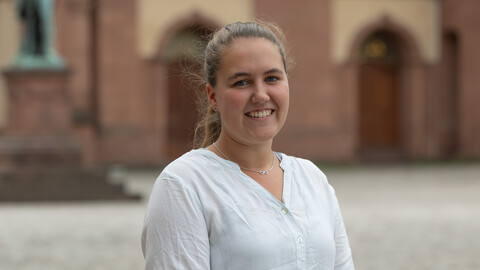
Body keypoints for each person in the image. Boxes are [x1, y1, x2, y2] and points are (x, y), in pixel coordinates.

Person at [142, 21, 355, 270]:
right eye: (242, 82)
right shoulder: (184, 185)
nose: (261, 95)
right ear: (213, 96)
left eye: (272, 78)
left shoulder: (312, 179)